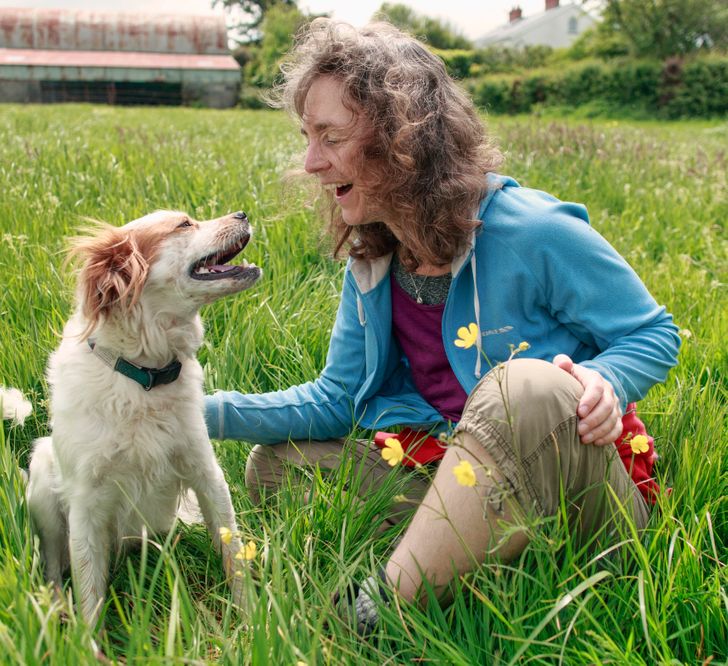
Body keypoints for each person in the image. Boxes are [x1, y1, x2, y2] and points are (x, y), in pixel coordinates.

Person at [204, 18, 680, 633]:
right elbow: (336, 400)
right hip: (455, 465)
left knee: (523, 386)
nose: (311, 162)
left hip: (583, 494)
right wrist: (191, 407)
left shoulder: (532, 230)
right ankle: (478, 558)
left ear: (404, 138)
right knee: (276, 464)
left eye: (331, 136)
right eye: (307, 136)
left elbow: (653, 332)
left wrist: (602, 383)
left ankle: (378, 610)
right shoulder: (375, 260)